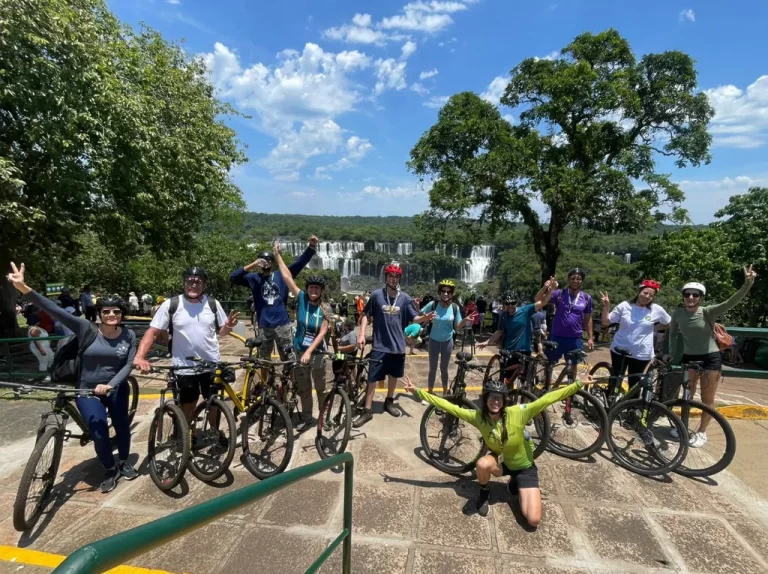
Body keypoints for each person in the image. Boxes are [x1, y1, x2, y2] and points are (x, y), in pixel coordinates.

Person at [7, 262, 138, 493]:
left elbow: (128, 364)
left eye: (116, 311)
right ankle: (110, 469)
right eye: (106, 311)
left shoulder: (128, 336)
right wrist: (24, 288)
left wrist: (110, 385)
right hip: (86, 390)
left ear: (121, 314)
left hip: (115, 388)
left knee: (121, 426)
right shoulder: (85, 329)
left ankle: (124, 461)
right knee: (98, 433)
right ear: (98, 314)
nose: (111, 315)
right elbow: (53, 309)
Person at [403, 375, 589, 523]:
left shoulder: (518, 413)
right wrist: (418, 392)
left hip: (524, 467)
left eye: (499, 398)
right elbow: (450, 407)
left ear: (504, 400)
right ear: (486, 399)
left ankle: (515, 483)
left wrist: (578, 384)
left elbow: (547, 399)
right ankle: (484, 491)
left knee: (532, 520)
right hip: (502, 461)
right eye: (492, 398)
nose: (495, 402)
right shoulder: (478, 417)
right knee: (483, 463)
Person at [134, 267, 239, 423]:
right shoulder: (172, 304)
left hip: (210, 363)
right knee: (188, 403)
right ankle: (189, 435)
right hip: (184, 366)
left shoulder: (212, 304)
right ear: (184, 283)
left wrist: (229, 325)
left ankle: (215, 433)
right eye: (190, 281)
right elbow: (153, 332)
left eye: (198, 282)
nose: (194, 285)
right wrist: (140, 356)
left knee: (214, 402)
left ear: (204, 285)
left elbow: (222, 332)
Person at [668, 266, 757, 447]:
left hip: (710, 358)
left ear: (701, 297)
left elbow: (732, 302)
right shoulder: (677, 313)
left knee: (707, 398)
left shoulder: (708, 311)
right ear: (683, 296)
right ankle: (682, 426)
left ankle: (701, 432)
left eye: (695, 294)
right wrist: (669, 353)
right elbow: (672, 334)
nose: (691, 297)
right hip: (689, 358)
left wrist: (748, 284)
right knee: (687, 395)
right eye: (687, 294)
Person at [353, 264, 430, 428]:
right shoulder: (376, 295)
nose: (393, 279)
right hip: (379, 346)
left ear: (399, 279)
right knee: (372, 378)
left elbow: (413, 318)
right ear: (386, 278)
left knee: (394, 376)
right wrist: (361, 334)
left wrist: (425, 317)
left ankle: (389, 401)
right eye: (390, 276)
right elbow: (366, 315)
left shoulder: (405, 298)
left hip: (397, 347)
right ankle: (367, 410)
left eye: (396, 277)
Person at [274, 242, 331, 432]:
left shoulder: (325, 308)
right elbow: (287, 276)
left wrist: (309, 350)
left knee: (321, 389)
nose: (313, 291)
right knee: (304, 388)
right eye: (311, 288)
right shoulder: (301, 298)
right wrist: (277, 257)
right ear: (307, 289)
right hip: (300, 351)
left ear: (322, 291)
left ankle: (323, 418)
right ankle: (307, 418)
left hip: (316, 353)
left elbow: (323, 332)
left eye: (317, 288)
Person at [230, 237, 317, 361]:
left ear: (273, 262)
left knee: (289, 359)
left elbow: (300, 263)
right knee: (263, 360)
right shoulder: (254, 278)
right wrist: (253, 264)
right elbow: (233, 277)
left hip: (282, 325)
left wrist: (311, 247)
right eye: (263, 259)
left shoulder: (282, 275)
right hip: (264, 325)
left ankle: (289, 380)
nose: (266, 262)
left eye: (269, 259)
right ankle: (264, 380)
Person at [600, 280, 671, 390]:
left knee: (634, 384)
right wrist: (606, 306)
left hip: (641, 353)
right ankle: (610, 403)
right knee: (615, 380)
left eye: (651, 295)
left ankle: (632, 407)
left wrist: (654, 328)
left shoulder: (656, 309)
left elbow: (668, 323)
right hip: (619, 349)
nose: (647, 296)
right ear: (639, 292)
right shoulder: (625, 306)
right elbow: (606, 322)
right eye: (645, 293)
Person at [478, 281, 556, 373]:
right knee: (508, 380)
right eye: (507, 304)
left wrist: (551, 289)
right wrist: (487, 341)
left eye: (513, 303)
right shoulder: (503, 315)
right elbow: (499, 331)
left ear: (516, 302)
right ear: (503, 304)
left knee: (525, 379)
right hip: (509, 350)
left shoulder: (526, 310)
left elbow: (543, 302)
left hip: (525, 350)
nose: (510, 306)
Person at [420, 279, 476, 396]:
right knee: (432, 369)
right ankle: (430, 393)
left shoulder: (455, 308)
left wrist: (465, 320)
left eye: (449, 292)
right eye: (443, 291)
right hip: (434, 340)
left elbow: (457, 326)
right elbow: (420, 315)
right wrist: (424, 314)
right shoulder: (433, 304)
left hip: (447, 342)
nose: (446, 294)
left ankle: (445, 393)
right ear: (439, 292)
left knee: (444, 369)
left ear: (452, 294)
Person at [539, 268, 594, 366]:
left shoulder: (587, 298)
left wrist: (590, 337)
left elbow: (588, 318)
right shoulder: (559, 293)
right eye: (573, 278)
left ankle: (571, 381)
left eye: (578, 279)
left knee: (573, 366)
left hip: (575, 338)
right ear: (568, 280)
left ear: (582, 281)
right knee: (549, 364)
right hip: (557, 336)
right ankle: (546, 380)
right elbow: (539, 300)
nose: (575, 281)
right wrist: (546, 288)